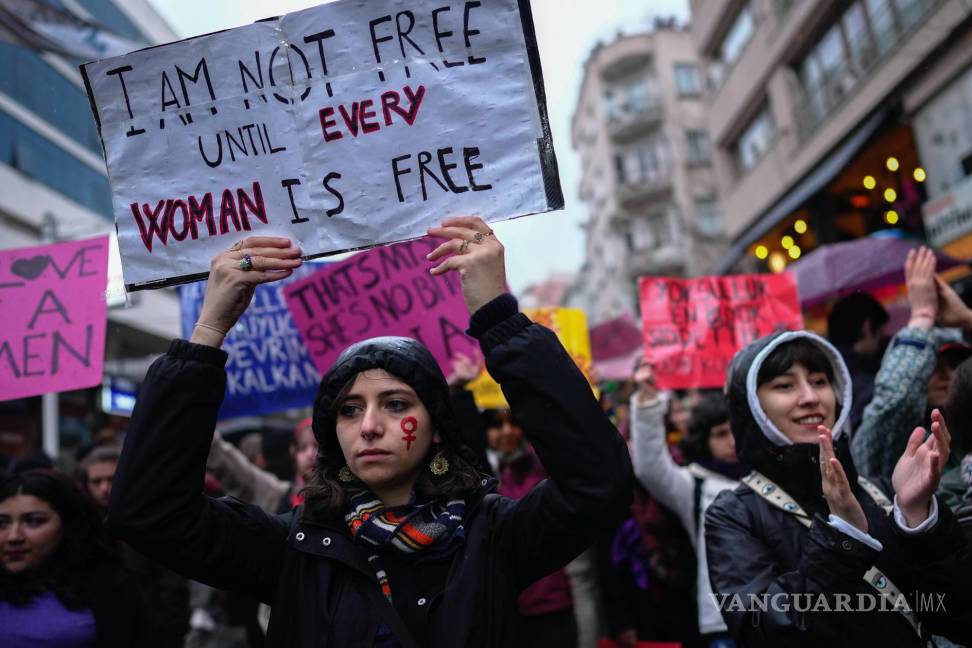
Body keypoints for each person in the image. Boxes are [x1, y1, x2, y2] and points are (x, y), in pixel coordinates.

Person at [105, 217, 633, 647]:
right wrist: (206, 336)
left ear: (436, 428)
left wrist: (500, 320)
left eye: (396, 404)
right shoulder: (294, 548)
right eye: (350, 410)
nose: (371, 426)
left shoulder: (494, 537)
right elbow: (149, 512)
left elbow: (597, 484)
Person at [706, 330, 972, 645]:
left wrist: (918, 516)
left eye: (819, 381)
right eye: (784, 386)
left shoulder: (881, 491)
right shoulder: (734, 515)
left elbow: (959, 616)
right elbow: (765, 632)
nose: (810, 397)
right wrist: (844, 538)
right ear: (751, 405)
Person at [630, 362, 746, 647]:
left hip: (781, 615)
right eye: (720, 434)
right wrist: (647, 402)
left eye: (736, 431)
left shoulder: (768, 476)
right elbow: (650, 467)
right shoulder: (693, 483)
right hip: (722, 621)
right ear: (703, 439)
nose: (731, 442)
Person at [852, 247, 972, 480]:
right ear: (914, 376)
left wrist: (967, 318)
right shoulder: (897, 443)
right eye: (933, 368)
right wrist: (923, 317)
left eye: (954, 364)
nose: (947, 375)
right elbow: (895, 402)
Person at [0, 469, 145, 646]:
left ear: (68, 525)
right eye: (2, 523)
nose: (14, 536)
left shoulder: (110, 587)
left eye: (34, 521)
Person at [79, 444, 192, 647]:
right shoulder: (79, 526)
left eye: (111, 479)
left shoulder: (152, 519)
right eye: (96, 482)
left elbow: (171, 585)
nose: (104, 488)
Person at [826, 291, 889, 429]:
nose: (881, 342)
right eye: (880, 334)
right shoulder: (870, 382)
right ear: (867, 327)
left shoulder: (824, 370)